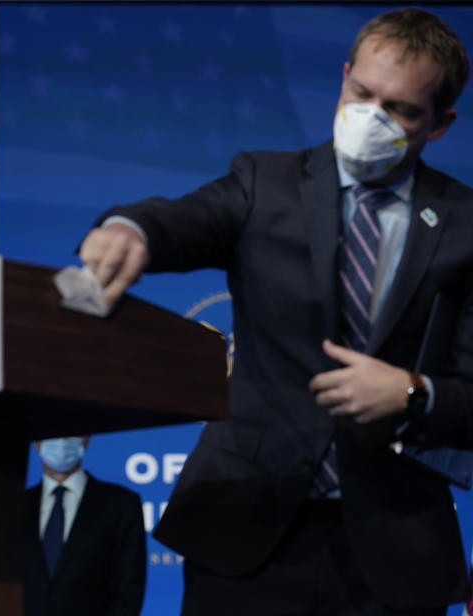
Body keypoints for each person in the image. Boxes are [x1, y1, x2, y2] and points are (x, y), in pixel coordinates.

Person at [79, 8, 473, 615]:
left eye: (400, 109)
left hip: (393, 552)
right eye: (361, 92)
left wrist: (413, 394)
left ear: (440, 124)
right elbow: (185, 220)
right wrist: (132, 228)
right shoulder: (264, 181)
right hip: (244, 531)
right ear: (343, 76)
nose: (370, 116)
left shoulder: (466, 226)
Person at [24, 436, 146, 616]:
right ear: (36, 443)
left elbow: (128, 592)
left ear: (86, 440)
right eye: (53, 432)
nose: (61, 441)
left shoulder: (121, 505)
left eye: (69, 433)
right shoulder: (16, 505)